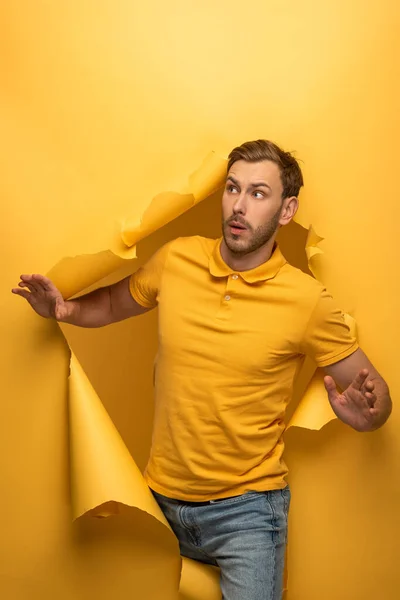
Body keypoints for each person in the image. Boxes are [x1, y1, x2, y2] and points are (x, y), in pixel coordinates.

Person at [12, 140, 392, 600]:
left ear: (287, 210)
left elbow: (375, 394)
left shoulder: (307, 300)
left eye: (257, 193)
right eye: (232, 188)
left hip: (247, 515)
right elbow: (115, 301)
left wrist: (370, 415)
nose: (237, 205)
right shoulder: (178, 259)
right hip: (158, 501)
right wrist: (63, 309)